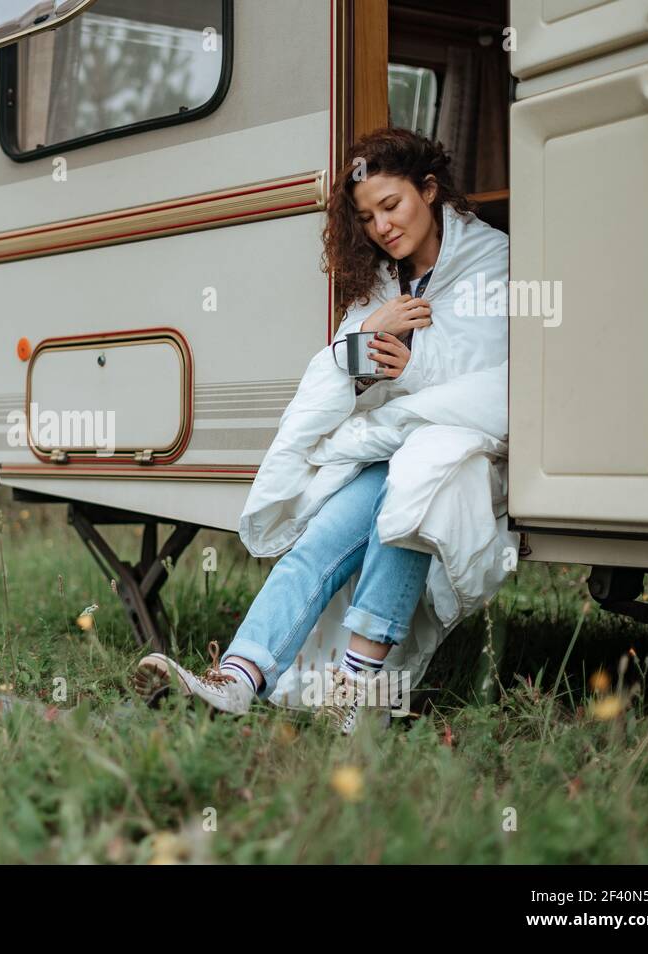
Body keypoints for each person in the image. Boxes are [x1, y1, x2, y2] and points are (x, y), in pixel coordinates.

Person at [133, 127, 504, 734]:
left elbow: (499, 372)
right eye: (368, 217)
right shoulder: (384, 282)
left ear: (430, 190)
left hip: (462, 441)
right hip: (389, 443)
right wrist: (364, 342)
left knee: (414, 492)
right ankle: (238, 675)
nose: (382, 226)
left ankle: (359, 688)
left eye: (393, 205)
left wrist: (418, 366)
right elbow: (336, 375)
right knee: (323, 538)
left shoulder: (491, 259)